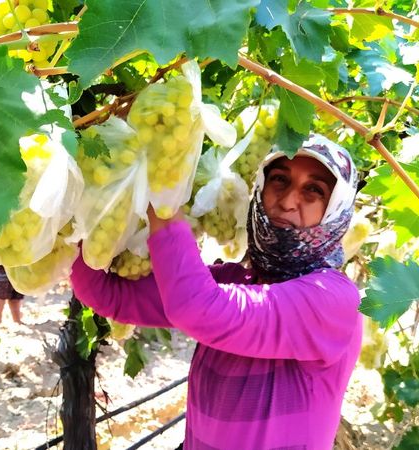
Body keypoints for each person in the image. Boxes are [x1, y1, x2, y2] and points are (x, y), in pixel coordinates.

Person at [70, 134, 362, 449]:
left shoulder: (333, 300)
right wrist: (86, 211)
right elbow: (110, 294)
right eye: (279, 179)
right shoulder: (237, 280)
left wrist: (163, 199)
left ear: (337, 210)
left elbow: (197, 307)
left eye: (314, 190)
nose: (289, 200)